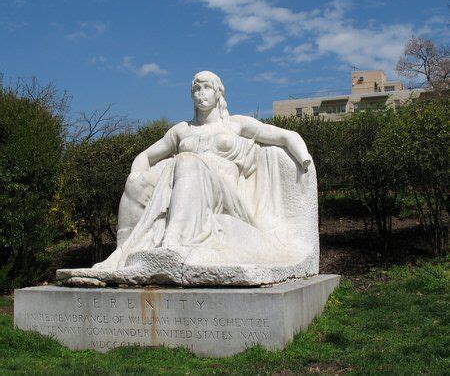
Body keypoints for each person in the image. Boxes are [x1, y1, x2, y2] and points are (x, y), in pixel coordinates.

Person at [59, 70, 318, 286]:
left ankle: (174, 242)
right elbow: (146, 155)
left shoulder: (236, 124)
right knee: (137, 183)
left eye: (207, 88)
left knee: (186, 161)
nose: (201, 93)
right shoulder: (181, 130)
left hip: (225, 196)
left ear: (219, 93)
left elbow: (285, 136)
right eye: (196, 89)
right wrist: (136, 172)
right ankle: (125, 253)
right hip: (186, 181)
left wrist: (304, 158)